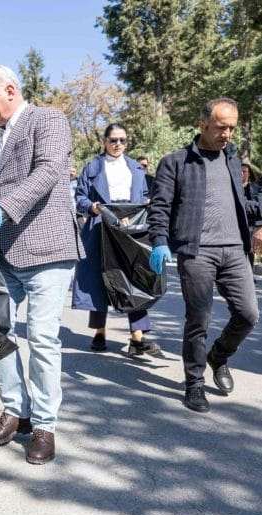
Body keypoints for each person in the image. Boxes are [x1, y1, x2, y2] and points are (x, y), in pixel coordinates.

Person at [0, 65, 83, 464]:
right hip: (4, 254)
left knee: (42, 337)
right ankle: (15, 412)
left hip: (48, 251)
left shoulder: (48, 120)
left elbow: (48, 172)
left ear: (10, 90)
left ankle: (44, 425)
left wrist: (3, 209)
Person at [148, 98, 261, 413]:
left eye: (232, 128)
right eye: (221, 127)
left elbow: (241, 205)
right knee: (199, 319)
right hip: (197, 252)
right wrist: (159, 241)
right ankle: (194, 383)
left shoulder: (233, 160)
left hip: (235, 250)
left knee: (248, 314)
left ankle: (219, 356)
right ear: (203, 124)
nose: (227, 134)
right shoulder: (176, 162)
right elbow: (160, 207)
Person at [73, 123, 163, 357]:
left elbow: (144, 195)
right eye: (113, 140)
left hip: (129, 227)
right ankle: (99, 332)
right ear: (105, 141)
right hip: (100, 225)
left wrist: (143, 206)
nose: (118, 144)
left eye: (122, 140)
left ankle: (137, 336)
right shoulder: (93, 167)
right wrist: (92, 207)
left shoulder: (135, 167)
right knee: (101, 277)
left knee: (134, 276)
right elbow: (80, 197)